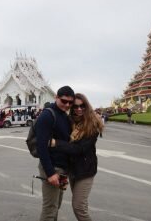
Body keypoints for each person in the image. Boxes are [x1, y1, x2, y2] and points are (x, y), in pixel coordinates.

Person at [50, 93, 103, 221]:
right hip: (71, 169)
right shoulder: (71, 122)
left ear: (87, 106)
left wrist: (56, 143)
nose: (79, 109)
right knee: (76, 205)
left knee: (79, 207)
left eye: (82, 106)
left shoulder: (92, 125)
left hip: (85, 171)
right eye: (76, 106)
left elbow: (79, 149)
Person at [35, 86, 75, 221]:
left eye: (70, 103)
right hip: (52, 168)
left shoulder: (64, 115)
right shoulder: (47, 115)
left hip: (63, 168)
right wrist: (50, 172)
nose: (67, 105)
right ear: (56, 97)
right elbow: (41, 147)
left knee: (56, 205)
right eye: (64, 101)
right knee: (50, 208)